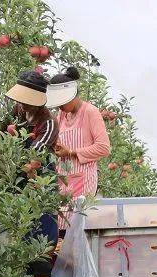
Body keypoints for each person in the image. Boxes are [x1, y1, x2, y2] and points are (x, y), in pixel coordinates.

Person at [4, 70, 59, 277]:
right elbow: (0, 135)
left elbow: (33, 159)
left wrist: (10, 167)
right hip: (18, 182)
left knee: (42, 235)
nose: (20, 102)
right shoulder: (17, 114)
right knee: (22, 236)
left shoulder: (48, 124)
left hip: (39, 185)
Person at [46, 66, 111, 204]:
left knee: (77, 221)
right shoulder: (62, 115)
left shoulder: (90, 112)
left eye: (62, 101)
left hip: (84, 180)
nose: (59, 106)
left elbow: (104, 148)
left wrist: (71, 152)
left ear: (72, 95)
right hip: (63, 180)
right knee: (62, 223)